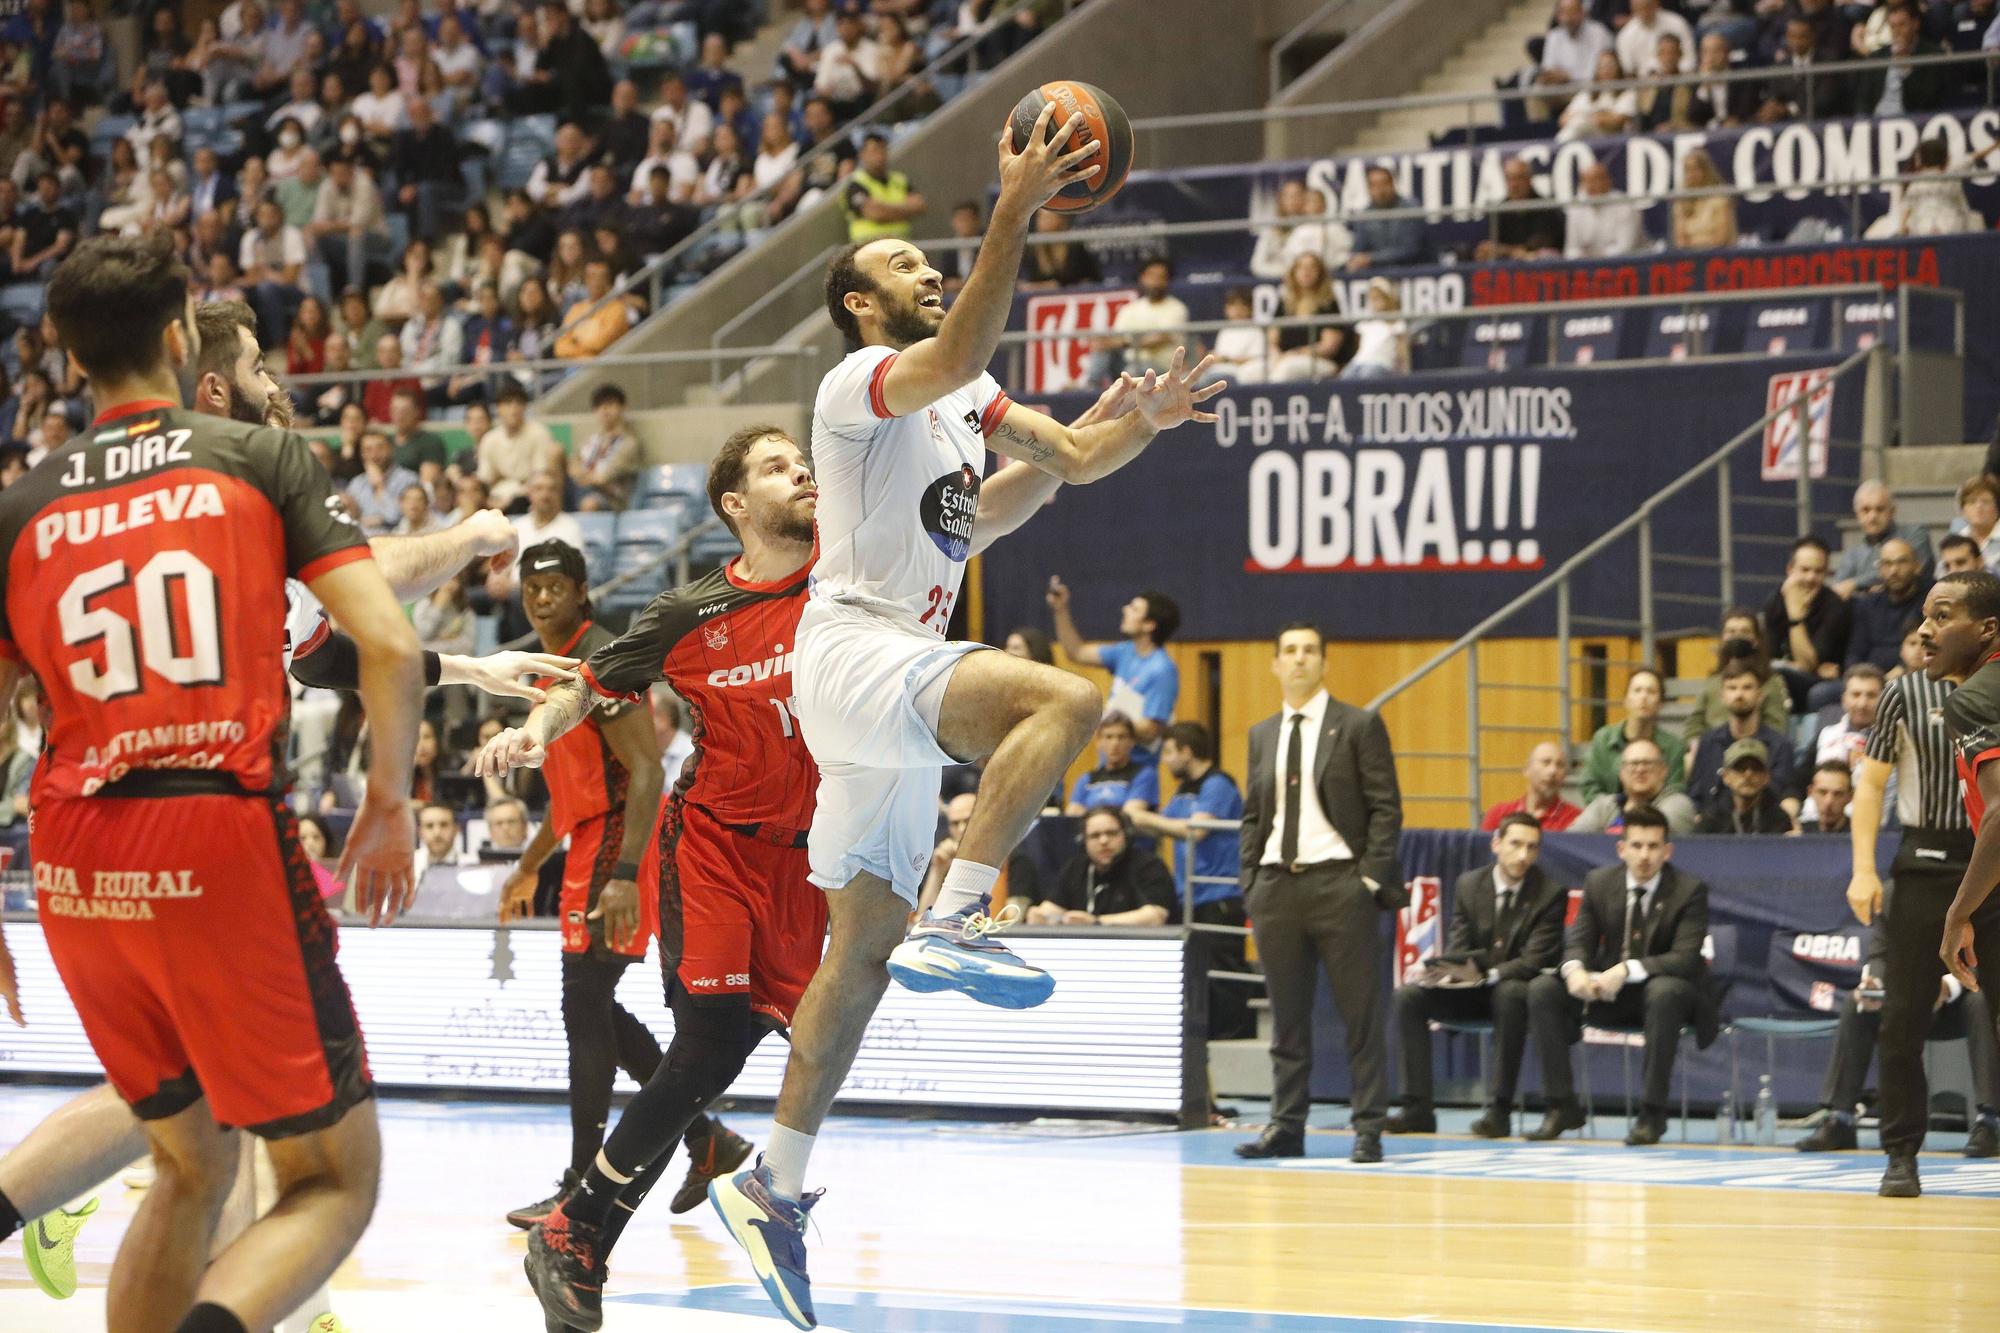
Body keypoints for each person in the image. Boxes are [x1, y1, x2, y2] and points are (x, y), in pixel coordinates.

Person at [706, 107, 1221, 1331]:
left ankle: (770, 1184)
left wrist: (1130, 424)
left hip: (886, 671)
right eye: (901, 264)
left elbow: (1052, 473)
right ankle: (963, 907)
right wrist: (1011, 208)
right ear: (857, 302)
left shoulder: (963, 402)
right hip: (848, 651)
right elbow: (957, 346)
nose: (925, 270)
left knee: (860, 956)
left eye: (933, 261)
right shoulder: (853, 387)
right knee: (1067, 695)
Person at [0, 232, 422, 1333]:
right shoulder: (253, 457)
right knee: (333, 1177)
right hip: (212, 826)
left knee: (187, 1157)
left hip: (72, 855)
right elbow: (387, 644)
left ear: (62, 351)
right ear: (180, 336)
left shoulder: (21, 504)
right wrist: (386, 804)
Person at [475, 426, 826, 1325]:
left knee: (715, 1049)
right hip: (709, 844)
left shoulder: (850, 570)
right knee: (649, 1026)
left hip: (806, 855)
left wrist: (1077, 454)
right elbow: (586, 687)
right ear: (736, 505)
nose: (805, 471)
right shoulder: (687, 613)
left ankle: (608, 1200)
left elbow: (966, 519)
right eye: (779, 464)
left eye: (807, 460)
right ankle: (581, 1223)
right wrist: (534, 732)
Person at [1235, 622, 1406, 1166]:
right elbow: (1254, 815)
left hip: (1340, 884)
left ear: (1324, 662)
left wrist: (1370, 880)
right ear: (1276, 664)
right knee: (1287, 1019)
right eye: (1289, 651)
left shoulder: (1357, 725)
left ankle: (1368, 1128)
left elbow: (1385, 807)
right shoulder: (1262, 734)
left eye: (1309, 651)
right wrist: (1251, 882)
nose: (1300, 659)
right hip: (1276, 887)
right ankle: (1286, 1125)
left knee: (1359, 1014)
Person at [1526, 806, 1712, 1145]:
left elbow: (1685, 959)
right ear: (1621, 849)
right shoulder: (1599, 882)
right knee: (1542, 989)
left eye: (1653, 847)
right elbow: (1580, 939)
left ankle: (1652, 1114)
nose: (1644, 856)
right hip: (1607, 992)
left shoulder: (1689, 889)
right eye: (1637, 846)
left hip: (1664, 997)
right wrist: (1575, 972)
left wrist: (1627, 969)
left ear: (1667, 851)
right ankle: (1561, 1105)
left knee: (1664, 991)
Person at [1903, 571, 2000, 1196]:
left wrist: (1957, 912)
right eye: (1924, 616)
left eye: (1943, 616)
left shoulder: (1973, 699)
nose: (1924, 630)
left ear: (1987, 629)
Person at [1389, 813, 1566, 1136]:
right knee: (1409, 997)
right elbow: (1460, 945)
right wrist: (1449, 972)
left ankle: (1499, 1111)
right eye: (1515, 844)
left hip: (1514, 993)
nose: (1523, 855)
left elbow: (1534, 960)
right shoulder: (1470, 884)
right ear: (1496, 844)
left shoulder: (1550, 893)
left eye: (1531, 847)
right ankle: (1417, 1109)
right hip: (1471, 991)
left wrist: (1488, 972)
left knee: (1510, 992)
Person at [1794, 878, 2000, 1155]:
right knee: (1855, 1006)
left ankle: (1989, 1121)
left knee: (1981, 1000)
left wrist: (1945, 987)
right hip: (1906, 1001)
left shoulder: (1975, 891)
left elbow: (1985, 957)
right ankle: (1839, 1119)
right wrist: (1873, 986)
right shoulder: (1895, 892)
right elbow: (1879, 953)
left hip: (1956, 1000)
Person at [1126, 721, 1251, 1037]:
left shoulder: (1219, 784)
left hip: (1218, 896)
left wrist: (1143, 816)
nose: (1165, 760)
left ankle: (1232, 1038)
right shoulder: (1184, 789)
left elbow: (1194, 830)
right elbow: (1164, 824)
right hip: (1190, 896)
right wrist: (1134, 815)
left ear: (1187, 751)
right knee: (1198, 975)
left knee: (1225, 975)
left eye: (1169, 752)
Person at [1046, 578, 1181, 749]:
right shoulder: (1124, 651)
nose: (1125, 609)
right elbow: (1077, 652)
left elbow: (1151, 729)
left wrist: (1105, 713)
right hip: (1108, 762)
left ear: (1149, 625)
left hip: (1137, 769)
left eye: (1134, 608)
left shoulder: (1163, 670)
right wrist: (1060, 609)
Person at [1028, 804, 1176, 925]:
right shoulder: (1076, 867)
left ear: (1126, 835)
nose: (1103, 841)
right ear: (1083, 841)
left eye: (1111, 833)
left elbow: (1155, 917)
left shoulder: (1149, 866)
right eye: (1095, 836)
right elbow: (1053, 908)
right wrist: (1041, 915)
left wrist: (1097, 922)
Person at [1687, 662, 1801, 814]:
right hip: (1713, 829)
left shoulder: (1780, 745)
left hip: (1765, 829)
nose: (1739, 695)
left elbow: (1784, 793)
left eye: (1747, 687)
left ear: (1760, 695)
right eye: (1732, 688)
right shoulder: (1708, 742)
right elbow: (1696, 795)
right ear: (1723, 696)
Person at [1763, 535, 1852, 712]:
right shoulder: (1775, 601)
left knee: (1779, 676)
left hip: (1823, 684)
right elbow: (1769, 655)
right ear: (1790, 569)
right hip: (1785, 676)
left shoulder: (1835, 605)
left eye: (1818, 571)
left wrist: (1795, 616)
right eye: (1804, 570)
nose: (1811, 577)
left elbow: (1806, 665)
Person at [1684, 607, 1792, 741]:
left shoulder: (1771, 682)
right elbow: (1694, 723)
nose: (1737, 636)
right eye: (1731, 632)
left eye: (1745, 631)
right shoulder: (1713, 682)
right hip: (1713, 748)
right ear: (1722, 638)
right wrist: (1694, 744)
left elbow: (1777, 727)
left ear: (1756, 639)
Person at [1580, 668, 1688, 801]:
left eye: (1651, 691)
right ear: (1626, 700)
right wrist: (1616, 815)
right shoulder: (1602, 739)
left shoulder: (1673, 746)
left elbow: (1674, 793)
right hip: (1608, 818)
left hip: (1655, 819)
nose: (1643, 697)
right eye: (1637, 690)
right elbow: (1590, 788)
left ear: (1661, 703)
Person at [1572, 736, 1699, 835]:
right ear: (1621, 773)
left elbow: (1646, 839)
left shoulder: (1679, 804)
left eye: (1647, 763)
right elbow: (1571, 841)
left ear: (1663, 771)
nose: (1640, 769)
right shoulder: (1603, 806)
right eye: (1633, 764)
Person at [1833, 481, 1934, 597]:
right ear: (1857, 515)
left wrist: (1855, 584)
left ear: (1892, 511)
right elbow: (1839, 589)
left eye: (1879, 509)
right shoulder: (1853, 555)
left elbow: (1915, 570)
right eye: (1866, 510)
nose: (1872, 516)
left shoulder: (1915, 535)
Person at [1845, 539, 1930, 672]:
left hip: (1911, 674)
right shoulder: (1867, 604)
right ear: (1879, 569)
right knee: (1826, 692)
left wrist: (1898, 673)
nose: (1894, 570)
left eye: (1901, 562)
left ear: (1917, 566)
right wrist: (1855, 676)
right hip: (1869, 680)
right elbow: (1855, 652)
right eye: (1887, 564)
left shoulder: (1929, 601)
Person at [1694, 738, 1795, 834]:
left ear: (1766, 777)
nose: (1748, 774)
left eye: (1756, 768)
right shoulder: (1712, 819)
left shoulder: (1779, 819)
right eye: (1740, 768)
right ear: (1725, 777)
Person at [1480, 739, 1582, 831]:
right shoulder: (1498, 815)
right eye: (1546, 762)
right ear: (1527, 769)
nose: (1553, 771)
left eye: (1560, 765)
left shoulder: (1576, 819)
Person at [1064, 711, 1153, 814]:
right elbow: (1072, 813)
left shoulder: (1144, 775)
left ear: (1132, 742)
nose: (1115, 743)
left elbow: (1130, 815)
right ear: (1099, 742)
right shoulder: (1087, 779)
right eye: (1109, 737)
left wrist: (1088, 813)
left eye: (1121, 737)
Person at [571, 382, 640, 511]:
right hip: (583, 490)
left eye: (610, 404)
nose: (605, 410)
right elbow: (573, 464)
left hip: (611, 498)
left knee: (589, 503)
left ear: (622, 408)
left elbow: (602, 478)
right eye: (600, 406)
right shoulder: (593, 439)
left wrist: (581, 476)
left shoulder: (628, 444)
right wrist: (580, 475)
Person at [1670, 148, 1737, 250]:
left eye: (1695, 169)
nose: (1691, 175)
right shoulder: (1681, 202)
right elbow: (1680, 239)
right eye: (1687, 170)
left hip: (1717, 255)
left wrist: (1701, 250)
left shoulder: (1720, 199)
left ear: (1706, 171)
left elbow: (1721, 238)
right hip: (1690, 256)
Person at [1798, 761, 1857, 833]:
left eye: (1838, 794)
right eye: (1822, 792)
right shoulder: (1799, 834)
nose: (1828, 801)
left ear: (1850, 796)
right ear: (1810, 792)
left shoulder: (1863, 836)